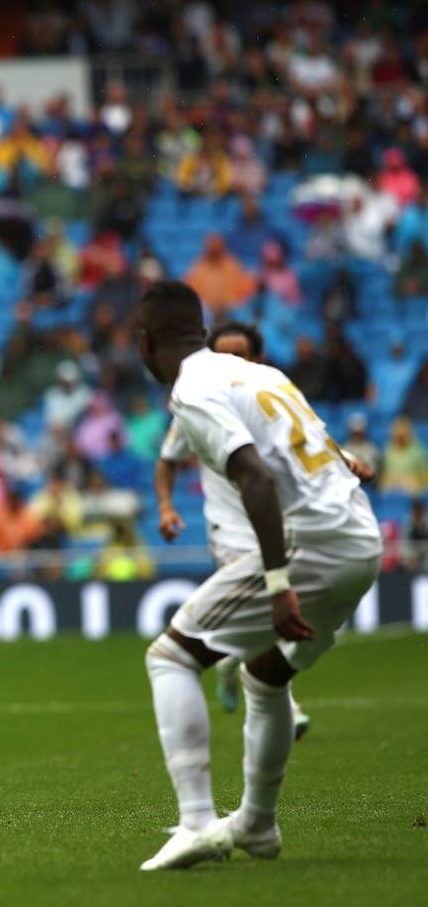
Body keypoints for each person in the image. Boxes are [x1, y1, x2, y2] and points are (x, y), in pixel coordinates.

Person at [134, 282, 382, 870]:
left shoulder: (192, 390)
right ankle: (257, 827)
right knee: (266, 679)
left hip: (309, 545)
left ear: (147, 342)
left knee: (170, 657)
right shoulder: (262, 375)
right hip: (359, 541)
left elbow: (258, 481)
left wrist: (277, 584)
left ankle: (197, 822)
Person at [153, 321, 374, 738]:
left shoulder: (266, 397)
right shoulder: (198, 406)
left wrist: (345, 458)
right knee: (275, 608)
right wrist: (165, 506)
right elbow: (166, 460)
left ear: (258, 357)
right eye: (225, 354)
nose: (234, 362)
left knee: (279, 615)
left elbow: (305, 440)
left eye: (243, 354)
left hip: (280, 526)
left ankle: (230, 664)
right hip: (232, 530)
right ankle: (285, 705)